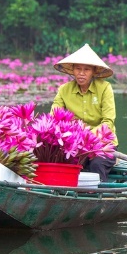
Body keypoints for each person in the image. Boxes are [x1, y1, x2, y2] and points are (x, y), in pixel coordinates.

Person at [51, 43, 118, 180]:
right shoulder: (64, 90)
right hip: (73, 143)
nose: (81, 73)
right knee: (59, 161)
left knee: (96, 164)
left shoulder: (105, 88)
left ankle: (101, 198)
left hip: (101, 144)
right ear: (73, 70)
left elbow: (108, 122)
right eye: (78, 69)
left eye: (86, 69)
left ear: (93, 72)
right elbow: (54, 117)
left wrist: (85, 137)